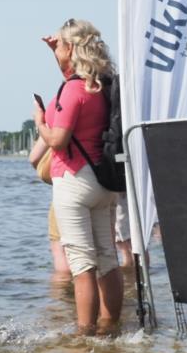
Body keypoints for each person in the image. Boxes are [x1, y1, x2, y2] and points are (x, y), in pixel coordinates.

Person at [32, 18, 122, 335]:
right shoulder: (101, 85)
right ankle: (110, 329)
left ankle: (85, 336)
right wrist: (56, 51)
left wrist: (40, 121)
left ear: (70, 49)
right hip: (103, 181)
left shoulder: (72, 90)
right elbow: (71, 75)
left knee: (82, 264)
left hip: (74, 180)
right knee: (108, 258)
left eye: (59, 46)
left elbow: (57, 140)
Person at [28, 138, 71, 279]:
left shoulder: (55, 125)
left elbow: (34, 157)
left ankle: (63, 290)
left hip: (66, 185)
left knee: (60, 250)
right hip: (104, 187)